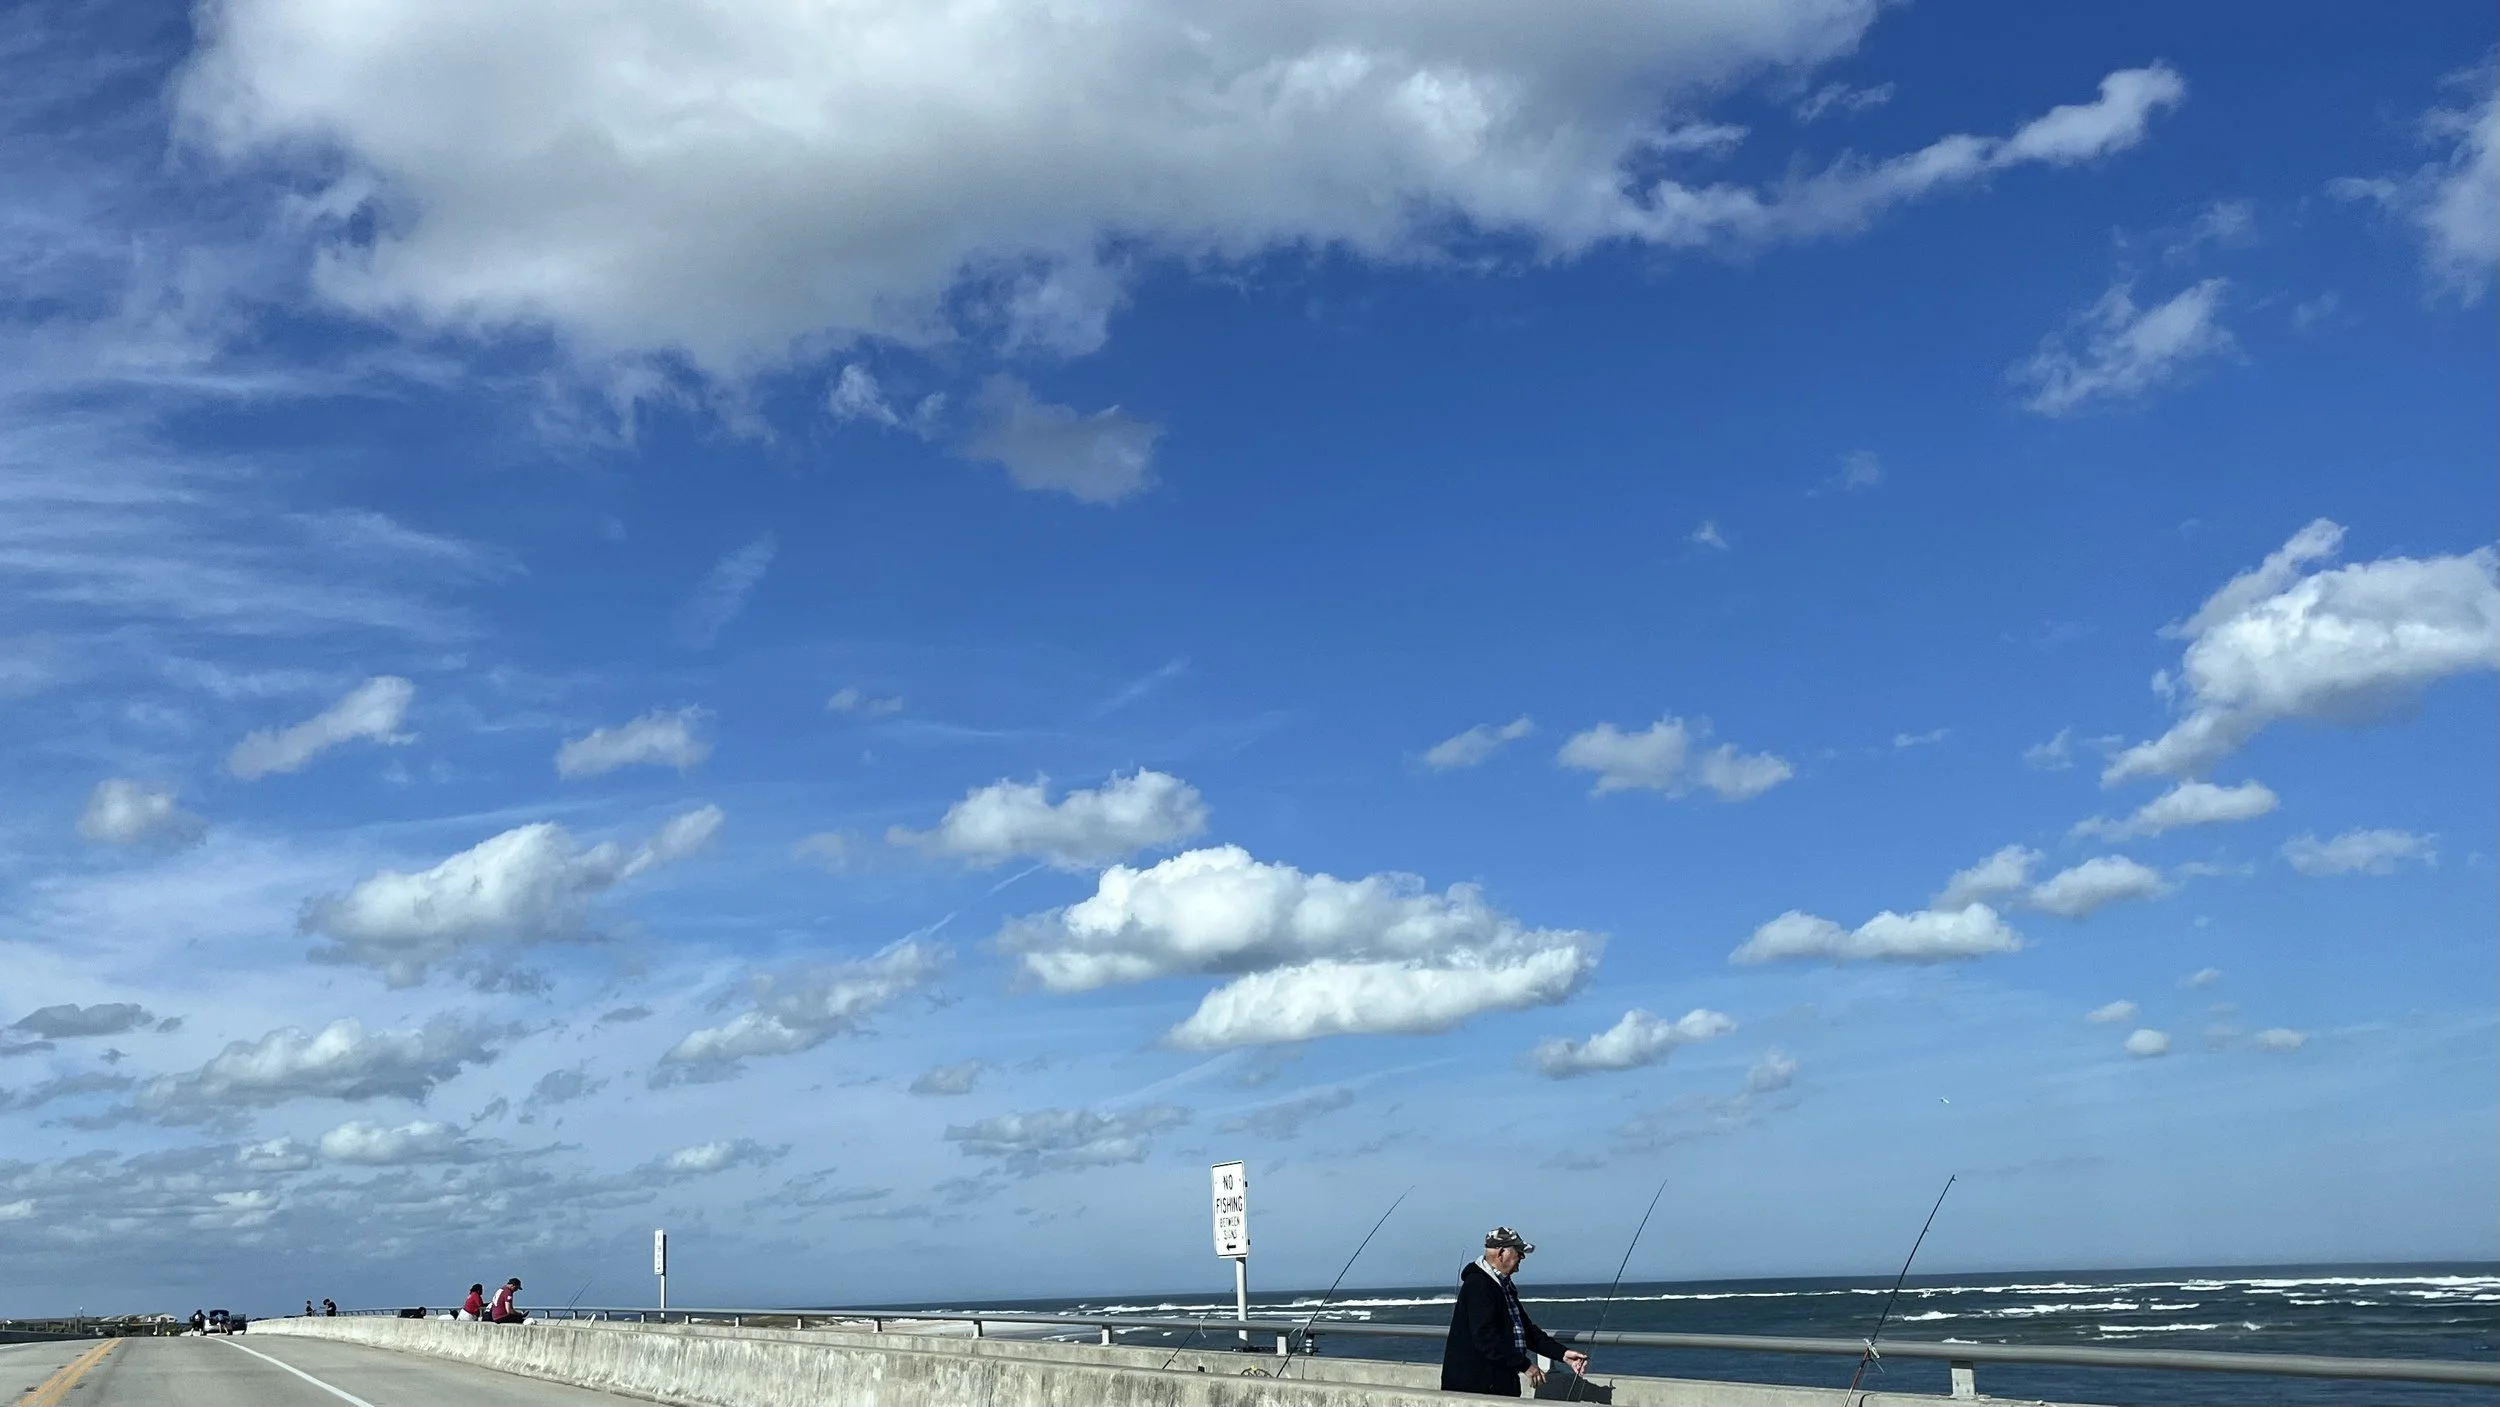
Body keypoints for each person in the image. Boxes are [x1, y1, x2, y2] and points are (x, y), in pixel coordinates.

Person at [1440, 1227, 1591, 1397]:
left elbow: (1526, 1331)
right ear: (1501, 1253)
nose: (1522, 1258)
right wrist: (1525, 1365)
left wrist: (1562, 1354)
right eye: (1519, 1252)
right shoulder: (1478, 1285)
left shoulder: (1504, 1286)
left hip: (1499, 1385)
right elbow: (1486, 1338)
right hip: (1476, 1389)